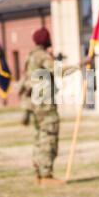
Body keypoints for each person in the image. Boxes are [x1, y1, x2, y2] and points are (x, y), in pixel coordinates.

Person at [20, 27, 89, 186]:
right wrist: (80, 64)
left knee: (40, 137)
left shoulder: (31, 56)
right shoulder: (42, 56)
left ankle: (40, 173)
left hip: (36, 103)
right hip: (45, 104)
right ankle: (46, 174)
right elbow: (59, 71)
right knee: (49, 136)